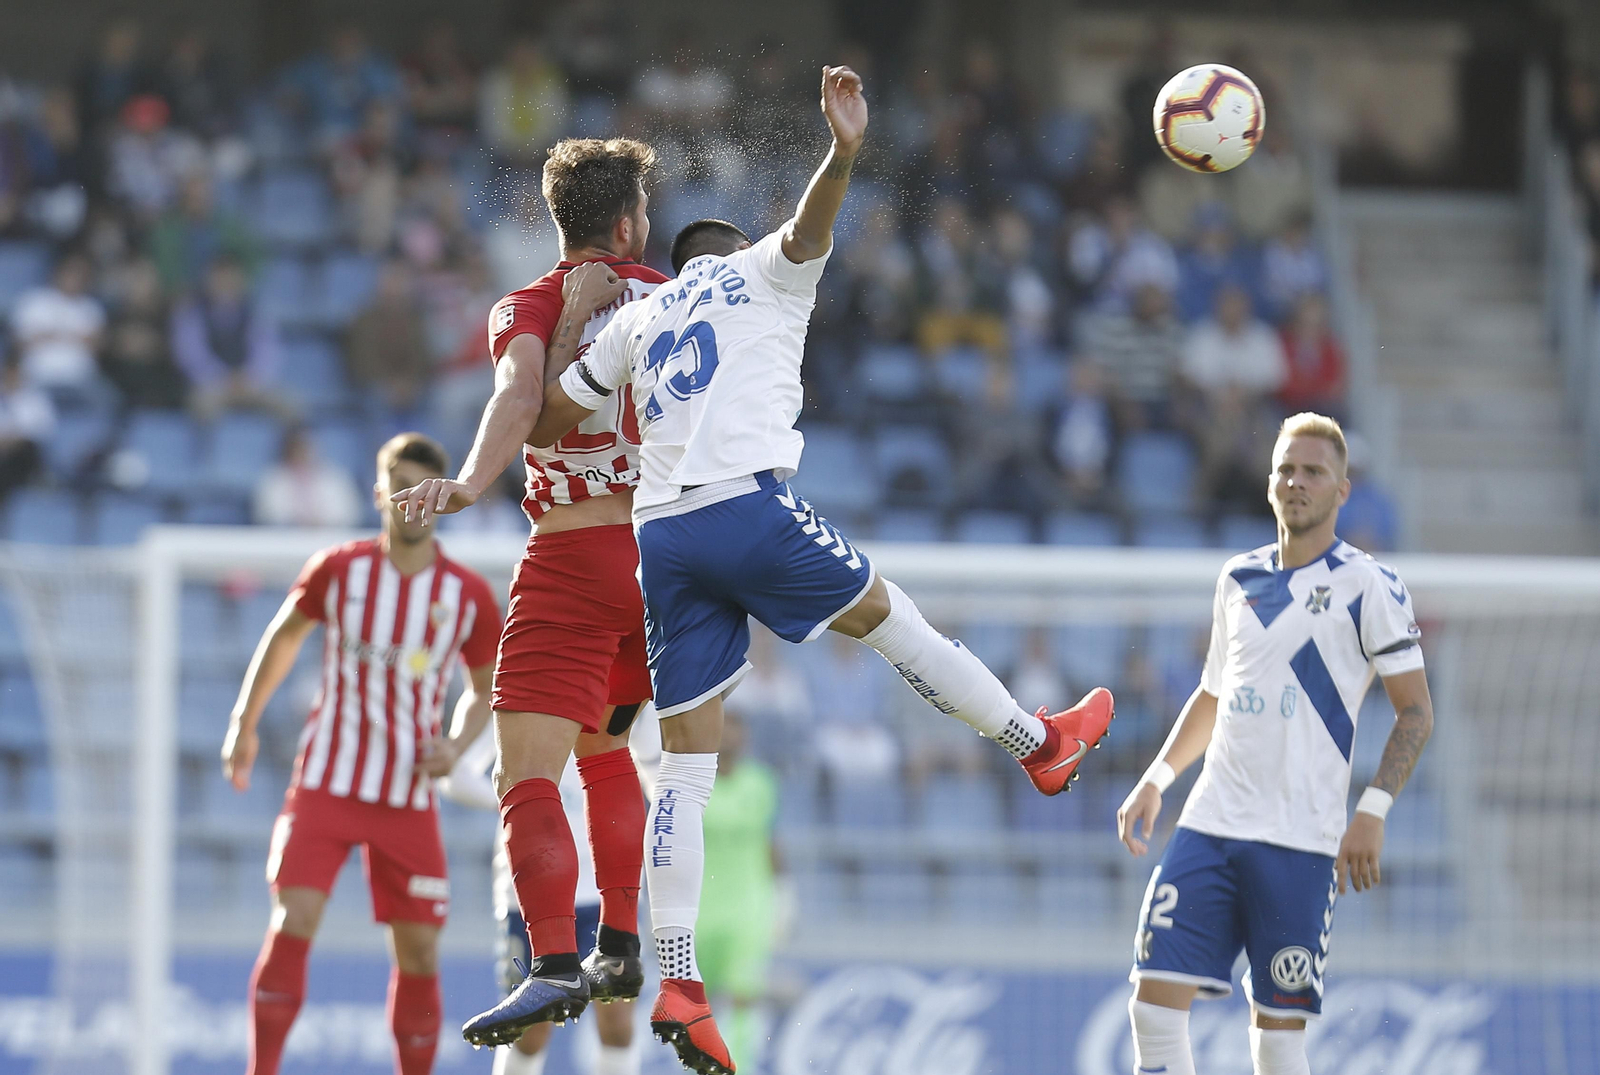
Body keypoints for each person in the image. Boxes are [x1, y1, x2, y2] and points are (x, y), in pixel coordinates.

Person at [403, 66, 1115, 1075]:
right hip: (740, 511)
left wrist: (520, 417)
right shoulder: (762, 275)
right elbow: (817, 216)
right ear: (709, 245)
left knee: (680, 770)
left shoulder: (637, 315)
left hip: (659, 538)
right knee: (892, 620)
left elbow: (545, 413)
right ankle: (1036, 740)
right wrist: (846, 147)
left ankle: (677, 982)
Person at [390, 137, 670, 1047]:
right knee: (608, 756)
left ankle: (552, 963)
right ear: (628, 223)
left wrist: (469, 483)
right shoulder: (672, 296)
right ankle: (621, 945)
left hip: (574, 559)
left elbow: (517, 397)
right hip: (665, 563)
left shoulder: (534, 304)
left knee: (525, 775)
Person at [1115, 412, 1435, 1075]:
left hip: (1302, 839)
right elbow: (1213, 694)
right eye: (1287, 468)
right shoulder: (1238, 579)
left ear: (1342, 490)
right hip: (1210, 822)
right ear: (1269, 484)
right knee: (1151, 1005)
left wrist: (1371, 811)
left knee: (1278, 1039)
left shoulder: (1369, 585)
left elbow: (1415, 712)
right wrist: (1158, 776)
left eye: (1314, 471)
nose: (1297, 481)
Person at [221, 432, 503, 1075]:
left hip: (406, 795)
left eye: (423, 490)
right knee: (296, 915)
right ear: (378, 491)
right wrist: (245, 720)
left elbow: (488, 688)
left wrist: (455, 747)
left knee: (421, 954)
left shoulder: (464, 594)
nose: (410, 502)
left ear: (439, 501)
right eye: (398, 485)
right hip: (328, 781)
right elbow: (283, 637)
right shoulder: (340, 570)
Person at [439, 727, 640, 1075]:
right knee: (529, 1029)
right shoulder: (515, 705)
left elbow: (650, 765)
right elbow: (454, 774)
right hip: (527, 895)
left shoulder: (607, 703)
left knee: (617, 1023)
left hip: (599, 892)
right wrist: (510, 804)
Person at [696, 713, 780, 1071]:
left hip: (749, 908)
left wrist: (784, 892)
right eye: (724, 727)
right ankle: (699, 1067)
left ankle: (739, 1068)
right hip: (698, 911)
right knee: (698, 1002)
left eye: (737, 729)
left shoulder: (760, 783)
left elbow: (769, 840)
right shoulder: (691, 783)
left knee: (744, 996)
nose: (731, 736)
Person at [252, 426, 364, 528]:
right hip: (285, 541)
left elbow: (350, 513)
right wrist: (298, 520)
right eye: (297, 449)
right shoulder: (274, 478)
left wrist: (321, 521)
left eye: (306, 449)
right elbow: (267, 514)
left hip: (330, 537)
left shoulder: (335, 477)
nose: (302, 454)